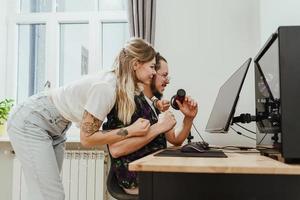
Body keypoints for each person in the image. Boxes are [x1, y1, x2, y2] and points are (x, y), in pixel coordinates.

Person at [7, 38, 158, 200]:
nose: (154, 72)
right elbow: (87, 139)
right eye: (152, 66)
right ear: (136, 64)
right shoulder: (106, 88)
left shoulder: (121, 85)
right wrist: (130, 130)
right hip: (32, 120)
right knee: (51, 196)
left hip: (56, 126)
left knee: (43, 193)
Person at [103, 53, 198, 195]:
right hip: (136, 178)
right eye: (164, 75)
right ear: (151, 73)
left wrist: (188, 118)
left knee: (197, 179)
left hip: (152, 172)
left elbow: (175, 139)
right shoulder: (128, 101)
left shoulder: (154, 103)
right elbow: (116, 149)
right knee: (198, 184)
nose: (167, 81)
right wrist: (158, 128)